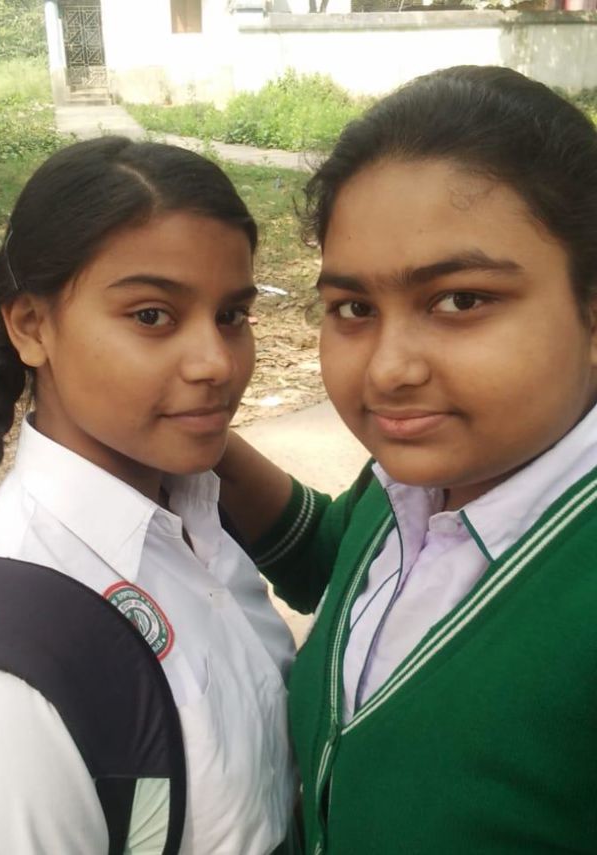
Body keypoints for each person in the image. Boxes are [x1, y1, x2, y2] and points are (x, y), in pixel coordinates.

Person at [215, 65, 597, 854]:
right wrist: (189, 430)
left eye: (460, 300)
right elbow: (336, 557)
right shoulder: (414, 482)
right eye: (353, 308)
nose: (388, 369)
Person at [0, 137, 296, 854]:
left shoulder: (204, 514)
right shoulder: (0, 671)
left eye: (232, 316)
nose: (217, 363)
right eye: (151, 316)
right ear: (31, 325)